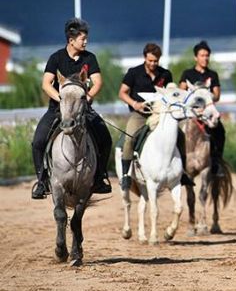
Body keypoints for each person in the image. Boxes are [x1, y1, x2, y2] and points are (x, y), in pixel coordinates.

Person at [31, 18, 112, 199]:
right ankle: (42, 181)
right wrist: (61, 99)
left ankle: (99, 178)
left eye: (86, 38)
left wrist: (88, 97)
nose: (86, 42)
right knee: (38, 142)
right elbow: (46, 83)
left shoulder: (90, 58)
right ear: (71, 40)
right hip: (57, 109)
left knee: (105, 139)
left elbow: (97, 82)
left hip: (83, 109)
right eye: (82, 39)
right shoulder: (56, 58)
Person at [118, 43, 192, 191]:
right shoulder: (133, 72)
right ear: (145, 57)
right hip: (139, 114)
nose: (153, 63)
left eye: (155, 61)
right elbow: (122, 93)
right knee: (130, 137)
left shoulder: (166, 74)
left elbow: (172, 92)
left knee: (180, 135)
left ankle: (182, 172)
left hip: (160, 115)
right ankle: (126, 175)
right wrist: (135, 104)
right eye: (150, 60)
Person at [179, 41, 225, 178]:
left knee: (220, 131)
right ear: (195, 57)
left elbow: (217, 96)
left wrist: (206, 95)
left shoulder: (213, 74)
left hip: (207, 114)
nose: (205, 58)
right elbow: (181, 93)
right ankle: (178, 164)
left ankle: (217, 163)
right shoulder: (187, 74)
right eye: (202, 55)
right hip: (191, 114)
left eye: (207, 55)